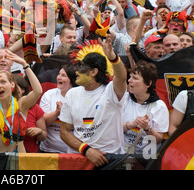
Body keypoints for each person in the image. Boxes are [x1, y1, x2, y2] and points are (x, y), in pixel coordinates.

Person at [59, 35, 128, 168]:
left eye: (82, 67)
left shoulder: (111, 91)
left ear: (94, 72)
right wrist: (87, 150)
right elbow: (64, 132)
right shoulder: (72, 94)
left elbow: (122, 77)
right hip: (79, 159)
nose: (76, 71)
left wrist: (113, 57)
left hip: (110, 160)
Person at [0, 48, 43, 152]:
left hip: (17, 158)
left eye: (3, 82)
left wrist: (24, 64)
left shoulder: (21, 104)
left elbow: (38, 91)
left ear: (12, 84)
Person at [122, 61, 169, 156]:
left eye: (135, 78)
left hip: (145, 160)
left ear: (148, 84)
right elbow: (112, 128)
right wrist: (131, 124)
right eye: (130, 77)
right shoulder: (124, 99)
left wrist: (148, 129)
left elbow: (159, 139)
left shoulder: (159, 106)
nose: (129, 80)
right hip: (121, 156)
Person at [39, 63, 77, 154]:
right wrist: (57, 112)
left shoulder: (80, 96)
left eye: (63, 75)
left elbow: (81, 125)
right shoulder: (49, 94)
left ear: (72, 79)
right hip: (48, 150)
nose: (58, 77)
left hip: (71, 151)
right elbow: (43, 123)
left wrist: (65, 113)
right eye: (59, 74)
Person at [14, 73, 47, 153]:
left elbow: (43, 135)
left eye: (15, 87)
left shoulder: (35, 108)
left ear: (23, 90)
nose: (12, 89)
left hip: (30, 153)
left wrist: (39, 131)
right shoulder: (2, 106)